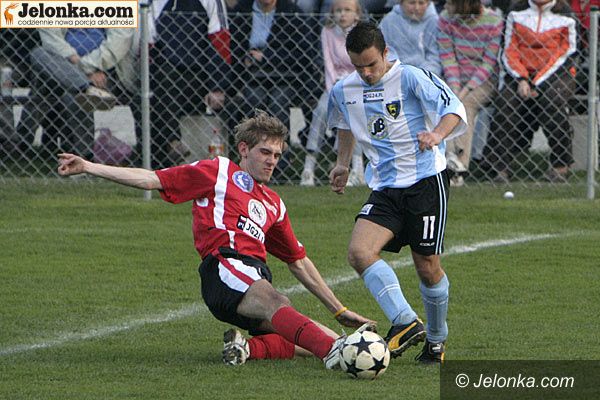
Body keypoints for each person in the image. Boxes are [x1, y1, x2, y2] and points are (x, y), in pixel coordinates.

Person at [57, 110, 373, 367]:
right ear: (244, 150)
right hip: (225, 266)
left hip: (254, 277)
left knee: (313, 333)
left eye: (277, 155)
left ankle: (248, 349)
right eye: (265, 152)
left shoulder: (273, 203)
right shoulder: (219, 171)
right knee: (282, 306)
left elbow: (298, 262)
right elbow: (152, 179)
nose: (271, 160)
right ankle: (336, 355)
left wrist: (339, 310)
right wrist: (89, 167)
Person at [328, 22, 467, 363]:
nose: (366, 73)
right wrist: (342, 163)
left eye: (371, 64)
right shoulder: (343, 89)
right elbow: (345, 124)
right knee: (360, 252)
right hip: (385, 187)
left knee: (427, 267)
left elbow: (453, 108)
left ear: (386, 53)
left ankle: (436, 340)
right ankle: (405, 321)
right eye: (358, 66)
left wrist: (436, 135)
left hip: (425, 182)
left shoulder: (411, 77)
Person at [482, 0, 577, 183]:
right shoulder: (515, 11)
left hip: (558, 73)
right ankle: (500, 168)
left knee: (552, 100)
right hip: (520, 74)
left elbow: (567, 53)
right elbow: (509, 50)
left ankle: (560, 165)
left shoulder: (566, 14)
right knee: (506, 102)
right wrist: (522, 78)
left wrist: (537, 82)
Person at [229, 0, 321, 182]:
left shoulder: (292, 13)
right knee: (253, 102)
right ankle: (252, 163)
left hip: (286, 76)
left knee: (278, 104)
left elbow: (301, 53)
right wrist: (246, 59)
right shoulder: (241, 11)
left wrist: (267, 57)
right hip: (252, 76)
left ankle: (279, 166)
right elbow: (234, 48)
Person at [18, 28, 133, 158]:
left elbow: (118, 43)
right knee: (39, 53)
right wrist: (79, 68)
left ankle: (23, 142)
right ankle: (85, 87)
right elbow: (51, 39)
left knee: (70, 91)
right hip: (64, 65)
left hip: (104, 72)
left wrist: (89, 67)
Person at [149, 0, 231, 168]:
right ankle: (172, 147)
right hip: (163, 74)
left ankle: (171, 147)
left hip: (199, 77)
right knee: (163, 82)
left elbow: (220, 42)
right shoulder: (152, 3)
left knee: (164, 88)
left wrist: (217, 86)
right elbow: (148, 45)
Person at [300, 0, 366, 187]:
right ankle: (308, 168)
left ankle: (358, 169)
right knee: (320, 111)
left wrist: (350, 85)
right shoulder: (327, 32)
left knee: (353, 113)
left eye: (347, 10)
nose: (342, 14)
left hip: (357, 86)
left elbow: (361, 65)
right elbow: (328, 65)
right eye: (338, 11)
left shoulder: (362, 34)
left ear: (357, 14)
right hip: (335, 86)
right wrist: (334, 90)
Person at [437, 0, 504, 186]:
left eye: (450, 3)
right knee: (444, 101)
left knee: (465, 105)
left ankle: (458, 167)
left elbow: (488, 63)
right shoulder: (445, 19)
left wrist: (464, 91)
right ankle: (447, 159)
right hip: (454, 79)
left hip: (483, 81)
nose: (446, 6)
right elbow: (448, 58)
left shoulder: (494, 21)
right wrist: (455, 89)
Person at [379, 0, 442, 77]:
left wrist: (420, 76)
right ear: (401, 3)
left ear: (428, 4)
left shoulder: (434, 21)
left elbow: (434, 57)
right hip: (394, 72)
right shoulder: (389, 20)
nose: (417, 8)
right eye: (412, 3)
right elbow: (382, 51)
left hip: (424, 74)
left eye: (421, 3)